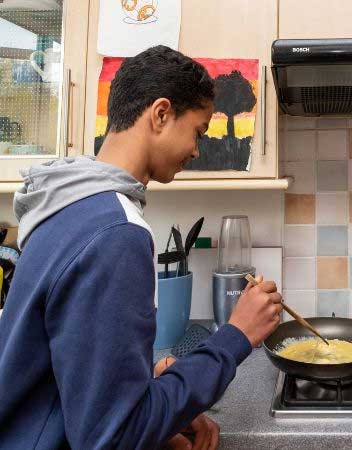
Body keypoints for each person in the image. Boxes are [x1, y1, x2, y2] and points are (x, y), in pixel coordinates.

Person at [0, 46, 283, 449]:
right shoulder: (116, 232)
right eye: (198, 131)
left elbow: (74, 372)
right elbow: (114, 437)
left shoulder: (65, 205)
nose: (197, 150)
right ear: (161, 114)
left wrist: (154, 397)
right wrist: (236, 335)